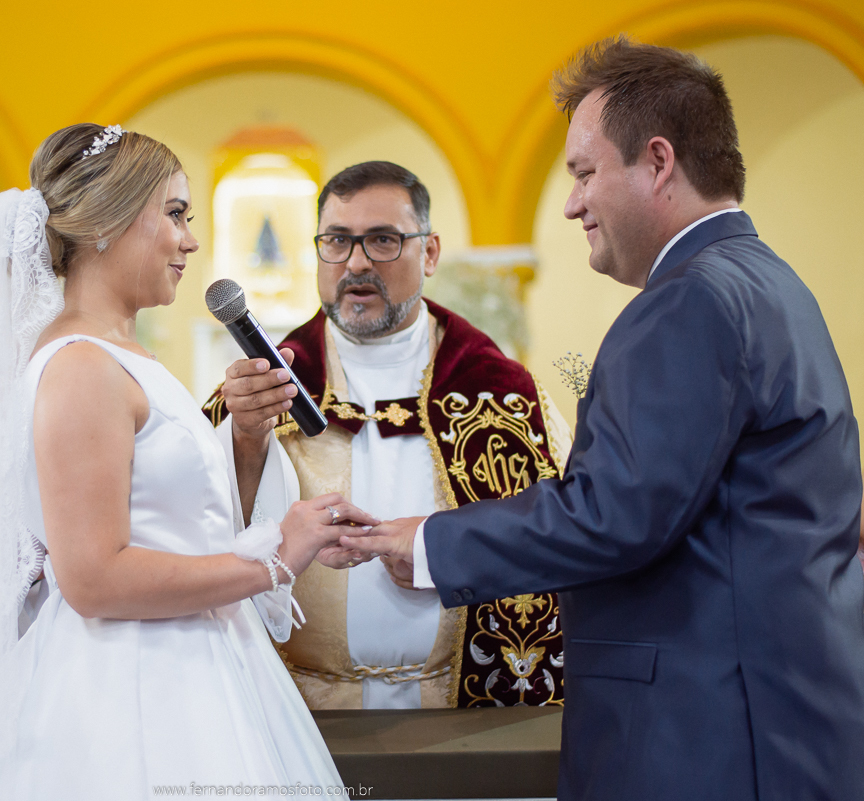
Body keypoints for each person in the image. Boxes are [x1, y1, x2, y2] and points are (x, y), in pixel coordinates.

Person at [345, 37, 864, 800]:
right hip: (778, 715)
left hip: (706, 735)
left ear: (657, 162)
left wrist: (429, 543)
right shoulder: (770, 282)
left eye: (585, 173)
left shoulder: (689, 300)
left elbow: (615, 511)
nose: (572, 202)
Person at [0, 124, 368, 801]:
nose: (190, 240)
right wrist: (273, 559)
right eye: (176, 213)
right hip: (129, 687)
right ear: (105, 222)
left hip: (192, 660)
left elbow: (179, 522)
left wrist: (247, 439)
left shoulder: (122, 354)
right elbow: (93, 577)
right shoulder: (80, 367)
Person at [202, 161, 571, 710]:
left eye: (382, 240)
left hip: (461, 712)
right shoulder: (261, 391)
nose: (356, 263)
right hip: (299, 710)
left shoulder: (504, 397)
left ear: (430, 252)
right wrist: (245, 441)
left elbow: (563, 530)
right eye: (337, 240)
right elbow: (195, 533)